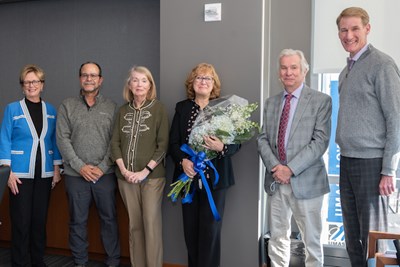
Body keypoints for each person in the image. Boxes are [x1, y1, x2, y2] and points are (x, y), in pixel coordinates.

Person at [335, 7, 400, 266]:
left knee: (373, 242)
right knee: (353, 239)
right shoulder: (346, 70)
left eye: (354, 29)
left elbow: (396, 119)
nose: (348, 35)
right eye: (343, 30)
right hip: (348, 161)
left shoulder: (382, 65)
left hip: (372, 165)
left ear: (367, 29)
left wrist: (388, 170)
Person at [257, 49, 332, 267]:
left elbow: (320, 142)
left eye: (293, 67)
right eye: (283, 68)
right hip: (276, 182)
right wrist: (276, 168)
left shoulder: (321, 101)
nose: (288, 72)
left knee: (311, 242)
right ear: (279, 73)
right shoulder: (271, 103)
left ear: (304, 71)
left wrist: (289, 169)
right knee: (278, 238)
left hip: (306, 182)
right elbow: (262, 139)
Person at [169, 63, 240, 267]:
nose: (203, 81)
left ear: (214, 84)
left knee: (210, 233)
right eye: (199, 78)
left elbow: (237, 144)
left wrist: (221, 147)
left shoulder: (224, 109)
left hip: (215, 180)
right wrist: (182, 161)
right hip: (188, 178)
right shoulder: (182, 108)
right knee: (190, 233)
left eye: (207, 78)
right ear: (192, 83)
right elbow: (173, 142)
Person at [56, 62, 120, 267]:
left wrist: (101, 168)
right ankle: (80, 262)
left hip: (105, 175)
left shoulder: (111, 106)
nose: (89, 79)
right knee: (77, 222)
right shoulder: (67, 105)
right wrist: (80, 166)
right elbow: (62, 139)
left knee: (109, 220)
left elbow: (115, 141)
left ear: (100, 79)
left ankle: (113, 262)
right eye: (85, 75)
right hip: (76, 176)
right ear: (79, 79)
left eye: (93, 75)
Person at [0, 64, 62, 267]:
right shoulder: (12, 109)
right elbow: (5, 139)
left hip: (44, 174)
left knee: (39, 221)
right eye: (27, 82)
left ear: (42, 85)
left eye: (35, 81)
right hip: (19, 174)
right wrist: (7, 172)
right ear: (22, 86)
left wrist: (56, 169)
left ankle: (37, 261)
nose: (31, 85)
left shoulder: (51, 110)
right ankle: (19, 262)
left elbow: (54, 140)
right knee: (21, 222)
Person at [110, 66, 169, 267]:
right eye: (134, 80)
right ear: (129, 85)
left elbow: (163, 145)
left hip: (152, 178)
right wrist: (125, 171)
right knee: (134, 226)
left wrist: (144, 172)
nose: (139, 84)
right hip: (125, 178)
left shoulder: (159, 108)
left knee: (151, 224)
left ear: (150, 84)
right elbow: (114, 144)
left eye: (144, 80)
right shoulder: (122, 110)